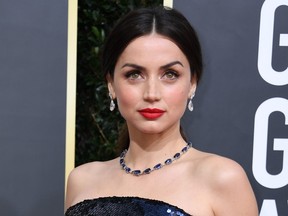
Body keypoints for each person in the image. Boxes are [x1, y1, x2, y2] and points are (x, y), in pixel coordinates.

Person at [65, 6, 258, 216]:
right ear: (111, 84)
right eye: (134, 74)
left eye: (170, 74)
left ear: (192, 83)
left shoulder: (223, 178)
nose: (152, 93)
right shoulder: (81, 180)